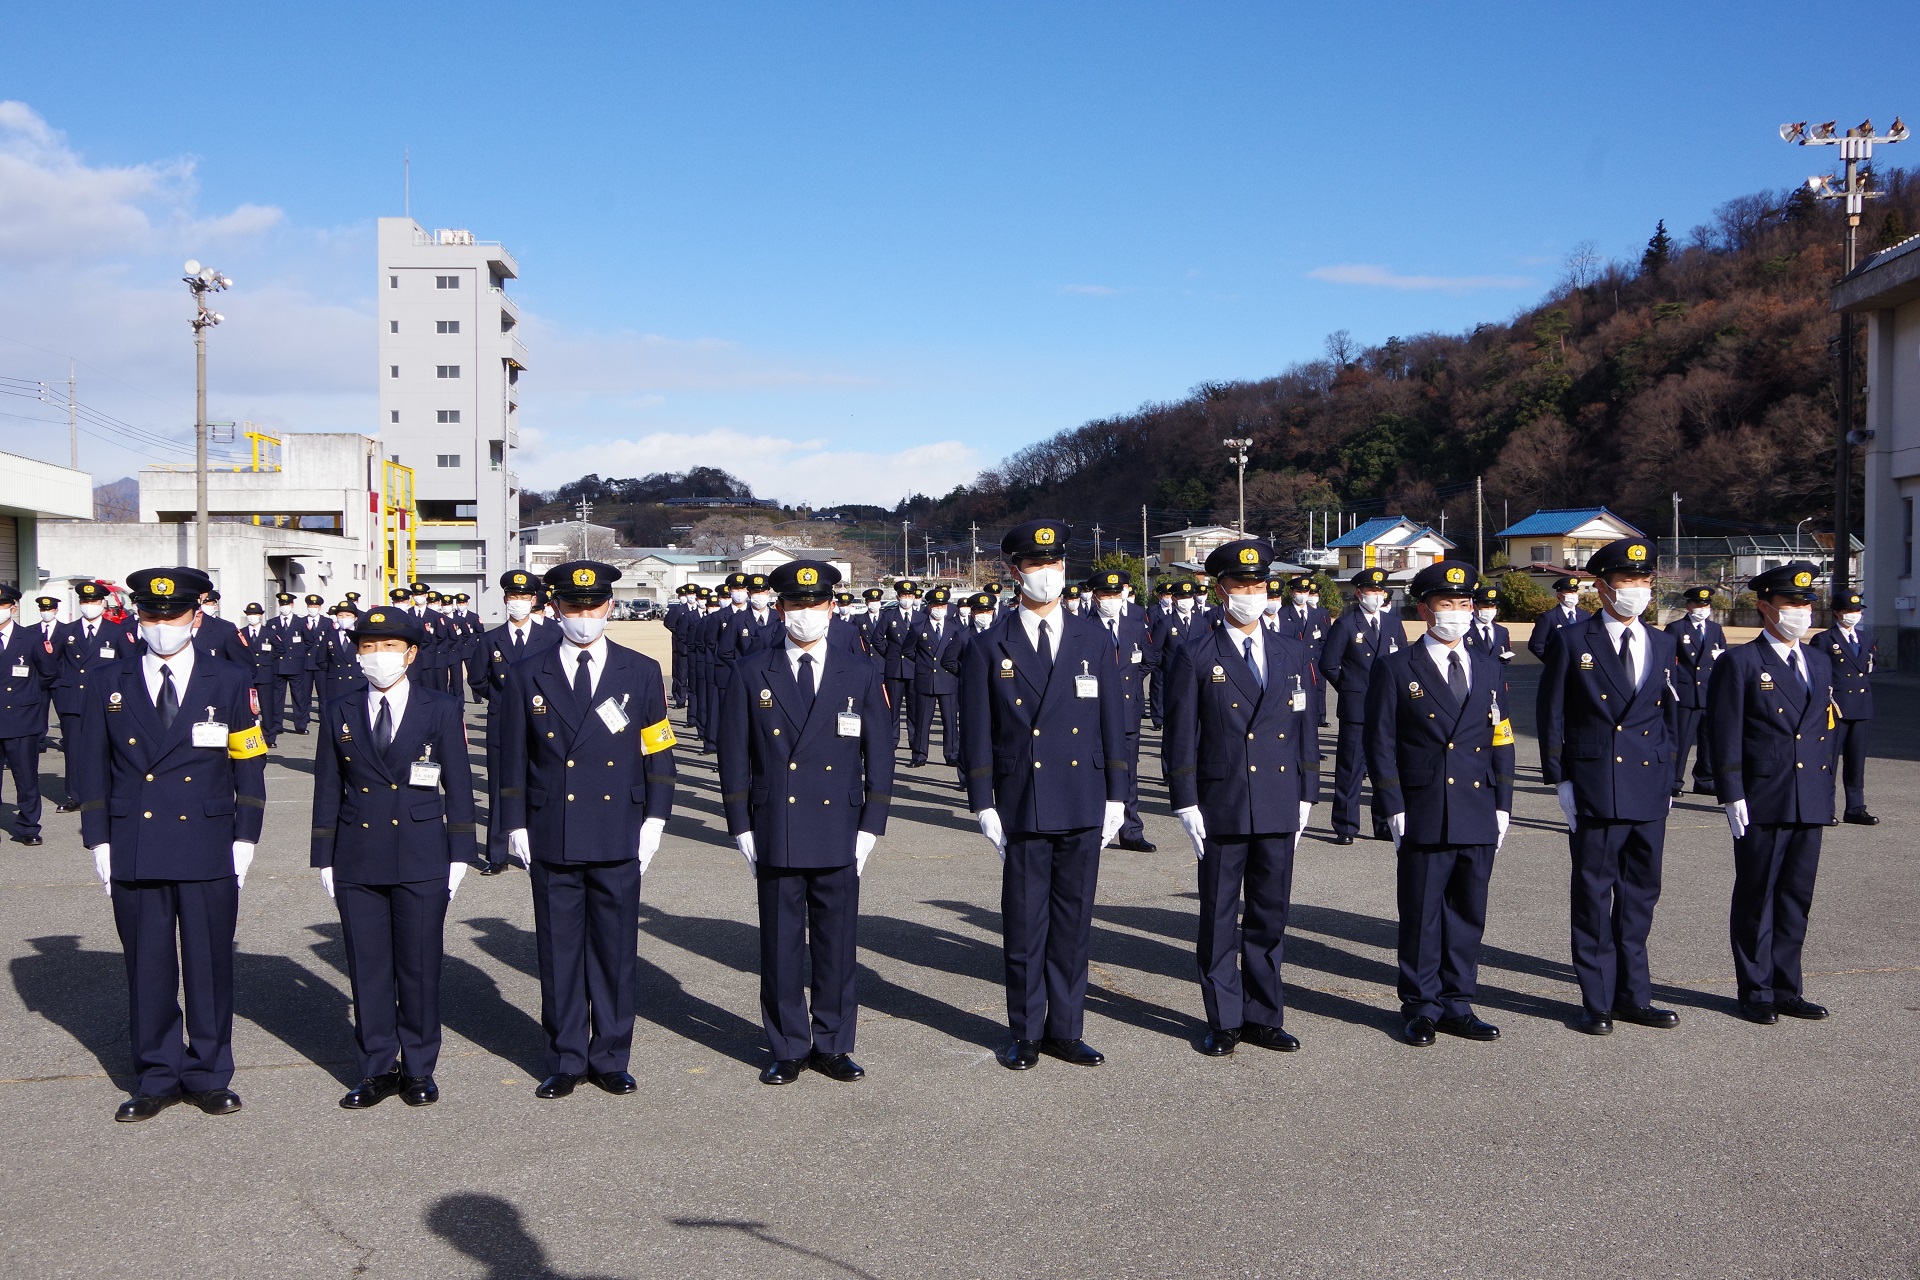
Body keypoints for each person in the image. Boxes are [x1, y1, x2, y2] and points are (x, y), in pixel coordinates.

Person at [72, 567, 268, 1121]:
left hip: (207, 840)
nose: (162, 624)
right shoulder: (108, 681)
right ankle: (156, 1073)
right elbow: (91, 766)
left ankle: (209, 1072)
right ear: (138, 618)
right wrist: (98, 841)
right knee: (148, 964)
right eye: (151, 615)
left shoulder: (227, 680)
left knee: (209, 965)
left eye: (173, 615)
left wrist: (245, 836)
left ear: (195, 617)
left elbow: (248, 762)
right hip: (136, 839)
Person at [497, 561, 676, 1098]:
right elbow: (508, 756)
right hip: (553, 827)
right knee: (559, 949)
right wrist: (512, 825)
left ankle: (612, 1054)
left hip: (618, 827)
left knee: (616, 950)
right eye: (573, 608)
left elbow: (659, 750)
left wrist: (656, 819)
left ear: (610, 609)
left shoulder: (640, 671)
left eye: (593, 607)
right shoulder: (528, 671)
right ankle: (567, 1056)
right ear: (555, 609)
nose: (583, 616)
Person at [959, 520, 1127, 1071]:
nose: (1047, 575)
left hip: (1083, 794)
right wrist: (982, 801)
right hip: (1023, 798)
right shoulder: (989, 645)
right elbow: (976, 732)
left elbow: (1113, 723)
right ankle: (1027, 1030)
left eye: (1054, 565)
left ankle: (1067, 1029)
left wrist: (1118, 797)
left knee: (1074, 922)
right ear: (1014, 572)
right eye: (1034, 566)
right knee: (1026, 925)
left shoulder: (1093, 638)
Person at [719, 560, 893, 1085]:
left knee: (838, 943)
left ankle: (835, 1043)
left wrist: (872, 825)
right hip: (778, 825)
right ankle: (788, 1045)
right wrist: (740, 826)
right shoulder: (752, 671)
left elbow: (879, 753)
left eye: (814, 604)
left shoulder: (858, 671)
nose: (805, 614)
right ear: (779, 609)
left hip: (839, 824)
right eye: (794, 604)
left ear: (833, 607)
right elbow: (733, 754)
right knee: (780, 944)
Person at [311, 606, 477, 1109]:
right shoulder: (339, 708)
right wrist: (324, 856)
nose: (376, 657)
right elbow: (327, 785)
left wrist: (460, 854)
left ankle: (420, 1066)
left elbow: (460, 785)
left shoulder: (440, 707)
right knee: (368, 967)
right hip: (357, 856)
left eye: (387, 648)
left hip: (423, 854)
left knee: (420, 966)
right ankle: (376, 1066)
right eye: (367, 648)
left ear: (409, 654)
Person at [1163, 540, 1318, 1056]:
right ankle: (1224, 1017)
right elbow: (1180, 735)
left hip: (1278, 798)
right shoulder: (1195, 653)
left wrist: (1308, 793)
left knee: (1270, 914)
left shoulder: (1291, 650)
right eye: (1241, 585)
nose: (1252, 594)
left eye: (1259, 584)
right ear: (1220, 589)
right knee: (1219, 915)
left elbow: (1305, 731)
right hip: (1222, 802)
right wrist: (1185, 801)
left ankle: (1263, 1014)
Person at [1364, 560, 1513, 1047]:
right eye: (1446, 604)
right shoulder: (1396, 667)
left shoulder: (1489, 665)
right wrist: (1393, 803)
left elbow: (1502, 737)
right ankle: (1421, 1004)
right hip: (1424, 804)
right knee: (1422, 910)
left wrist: (1504, 801)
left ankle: (1459, 1003)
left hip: (1477, 804)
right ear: (1425, 609)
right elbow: (1380, 742)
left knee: (1469, 911)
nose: (1457, 612)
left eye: (1464, 603)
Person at [1536, 538, 1681, 1035]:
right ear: (1601, 587)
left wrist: (1670, 775)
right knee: (1595, 893)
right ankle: (1596, 999)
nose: (1636, 590)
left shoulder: (1662, 641)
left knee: (1641, 894)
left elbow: (1670, 715)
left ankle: (1635, 995)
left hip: (1648, 784)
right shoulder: (1575, 640)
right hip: (1596, 780)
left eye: (1643, 581)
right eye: (1626, 581)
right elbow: (1552, 711)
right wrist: (1560, 779)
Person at [1708, 562, 1836, 1025]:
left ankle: (1788, 987)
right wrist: (1731, 791)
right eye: (1791, 604)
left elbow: (1826, 733)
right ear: (1765, 607)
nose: (1802, 612)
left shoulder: (1819, 661)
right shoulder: (1740, 662)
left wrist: (1827, 793)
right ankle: (1755, 989)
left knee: (1796, 896)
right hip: (1762, 794)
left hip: (1809, 796)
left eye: (1806, 603)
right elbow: (1723, 731)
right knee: (1757, 894)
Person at [469, 569, 560, 875]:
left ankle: (539, 851)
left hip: (541, 720)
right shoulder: (490, 639)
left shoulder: (551, 636)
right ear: (505, 600)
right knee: (500, 786)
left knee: (540, 784)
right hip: (501, 723)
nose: (517, 602)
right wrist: (501, 699)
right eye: (512, 597)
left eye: (524, 597)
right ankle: (497, 855)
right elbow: (478, 679)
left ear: (534, 600)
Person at [1320, 567, 1406, 844]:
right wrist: (1350, 688)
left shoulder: (1392, 624)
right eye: (1372, 590)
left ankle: (1383, 823)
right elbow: (1329, 664)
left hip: (1388, 709)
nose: (1377, 595)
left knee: (1385, 767)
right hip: (1357, 708)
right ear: (1359, 593)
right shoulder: (1346, 625)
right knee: (1351, 769)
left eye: (1381, 591)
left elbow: (1403, 661)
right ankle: (1345, 826)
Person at [1087, 568, 1156, 852]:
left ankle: (1131, 831)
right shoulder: (1082, 627)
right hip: (1092, 713)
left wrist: (1128, 685)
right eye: (1106, 593)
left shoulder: (1136, 626)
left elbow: (1149, 661)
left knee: (1128, 772)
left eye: (1116, 593)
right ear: (1095, 596)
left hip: (1128, 711)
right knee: (1092, 771)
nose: (1111, 598)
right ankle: (1091, 828)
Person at [51, 581, 134, 814]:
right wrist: (62, 686)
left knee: (107, 748)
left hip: (106, 699)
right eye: (85, 602)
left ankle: (107, 792)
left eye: (94, 601)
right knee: (74, 750)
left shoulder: (116, 631)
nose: (89, 606)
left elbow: (128, 664)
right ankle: (75, 795)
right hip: (73, 699)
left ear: (102, 603)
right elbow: (53, 663)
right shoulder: (66, 631)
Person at [0, 584, 59, 844]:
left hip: (21, 719)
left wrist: (26, 697)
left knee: (26, 779)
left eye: (1, 605)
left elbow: (48, 672)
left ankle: (28, 828)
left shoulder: (31, 638)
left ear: (12, 607)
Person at [1815, 589, 1876, 826]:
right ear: (1837, 613)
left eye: (1857, 611)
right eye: (1849, 611)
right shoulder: (1825, 639)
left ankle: (1855, 807)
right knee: (1829, 762)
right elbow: (1818, 673)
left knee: (1856, 762)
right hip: (1836, 708)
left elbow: (1869, 666)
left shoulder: (1866, 638)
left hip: (1861, 707)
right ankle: (1825, 808)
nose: (1854, 615)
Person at [1663, 586, 1726, 799]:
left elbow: (1721, 657)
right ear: (1689, 606)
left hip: (1709, 693)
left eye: (1706, 605)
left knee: (1709, 740)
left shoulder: (1715, 629)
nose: (1703, 608)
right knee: (1681, 741)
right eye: (1699, 604)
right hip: (1686, 692)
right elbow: (1668, 661)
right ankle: (1673, 781)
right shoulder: (1676, 628)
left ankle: (1705, 780)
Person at [905, 586, 963, 771]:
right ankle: (919, 755)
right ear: (929, 606)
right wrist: (923, 664)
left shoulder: (955, 628)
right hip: (925, 678)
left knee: (950, 720)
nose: (940, 609)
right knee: (922, 720)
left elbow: (959, 653)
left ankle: (952, 754)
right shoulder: (918, 627)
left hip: (948, 679)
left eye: (943, 605)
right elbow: (907, 650)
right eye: (936, 605)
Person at [238, 603, 281, 748]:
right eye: (249, 614)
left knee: (267, 707)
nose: (252, 617)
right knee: (248, 707)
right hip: (248, 674)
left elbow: (281, 649)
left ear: (260, 616)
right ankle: (249, 735)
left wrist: (268, 659)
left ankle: (269, 736)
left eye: (255, 614)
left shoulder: (269, 632)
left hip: (265, 673)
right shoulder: (241, 632)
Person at [1527, 575, 1590, 660]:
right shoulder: (1548, 617)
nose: (1573, 595)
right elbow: (1536, 645)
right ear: (1559, 595)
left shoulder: (1585, 616)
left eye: (1575, 592)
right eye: (1569, 592)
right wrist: (1552, 662)